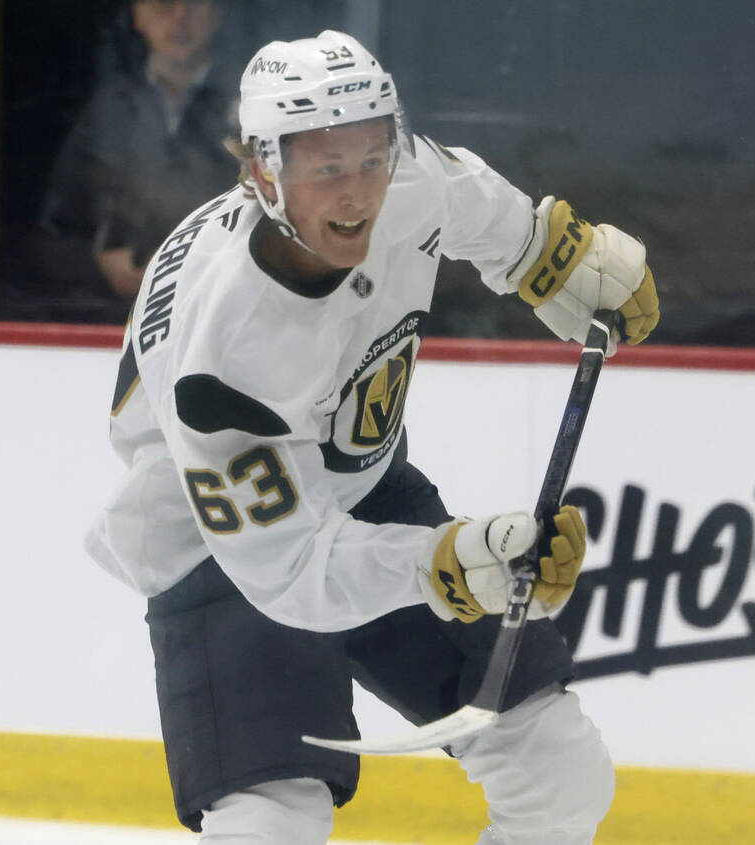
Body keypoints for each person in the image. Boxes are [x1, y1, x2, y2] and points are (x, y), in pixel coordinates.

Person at [84, 29, 659, 845]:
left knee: (558, 767)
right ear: (262, 172)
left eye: (370, 157)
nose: (357, 193)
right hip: (219, 542)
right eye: (325, 168)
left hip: (362, 482)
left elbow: (477, 208)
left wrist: (556, 259)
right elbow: (289, 572)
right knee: (271, 821)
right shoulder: (221, 364)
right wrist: (446, 565)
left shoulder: (405, 176)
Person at [36, 0, 236, 316]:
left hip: (220, 318)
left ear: (216, 14)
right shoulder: (106, 114)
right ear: (137, 15)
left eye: (195, 3)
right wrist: (100, 265)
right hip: (114, 326)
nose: (180, 17)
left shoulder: (250, 110)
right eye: (164, 4)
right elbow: (53, 238)